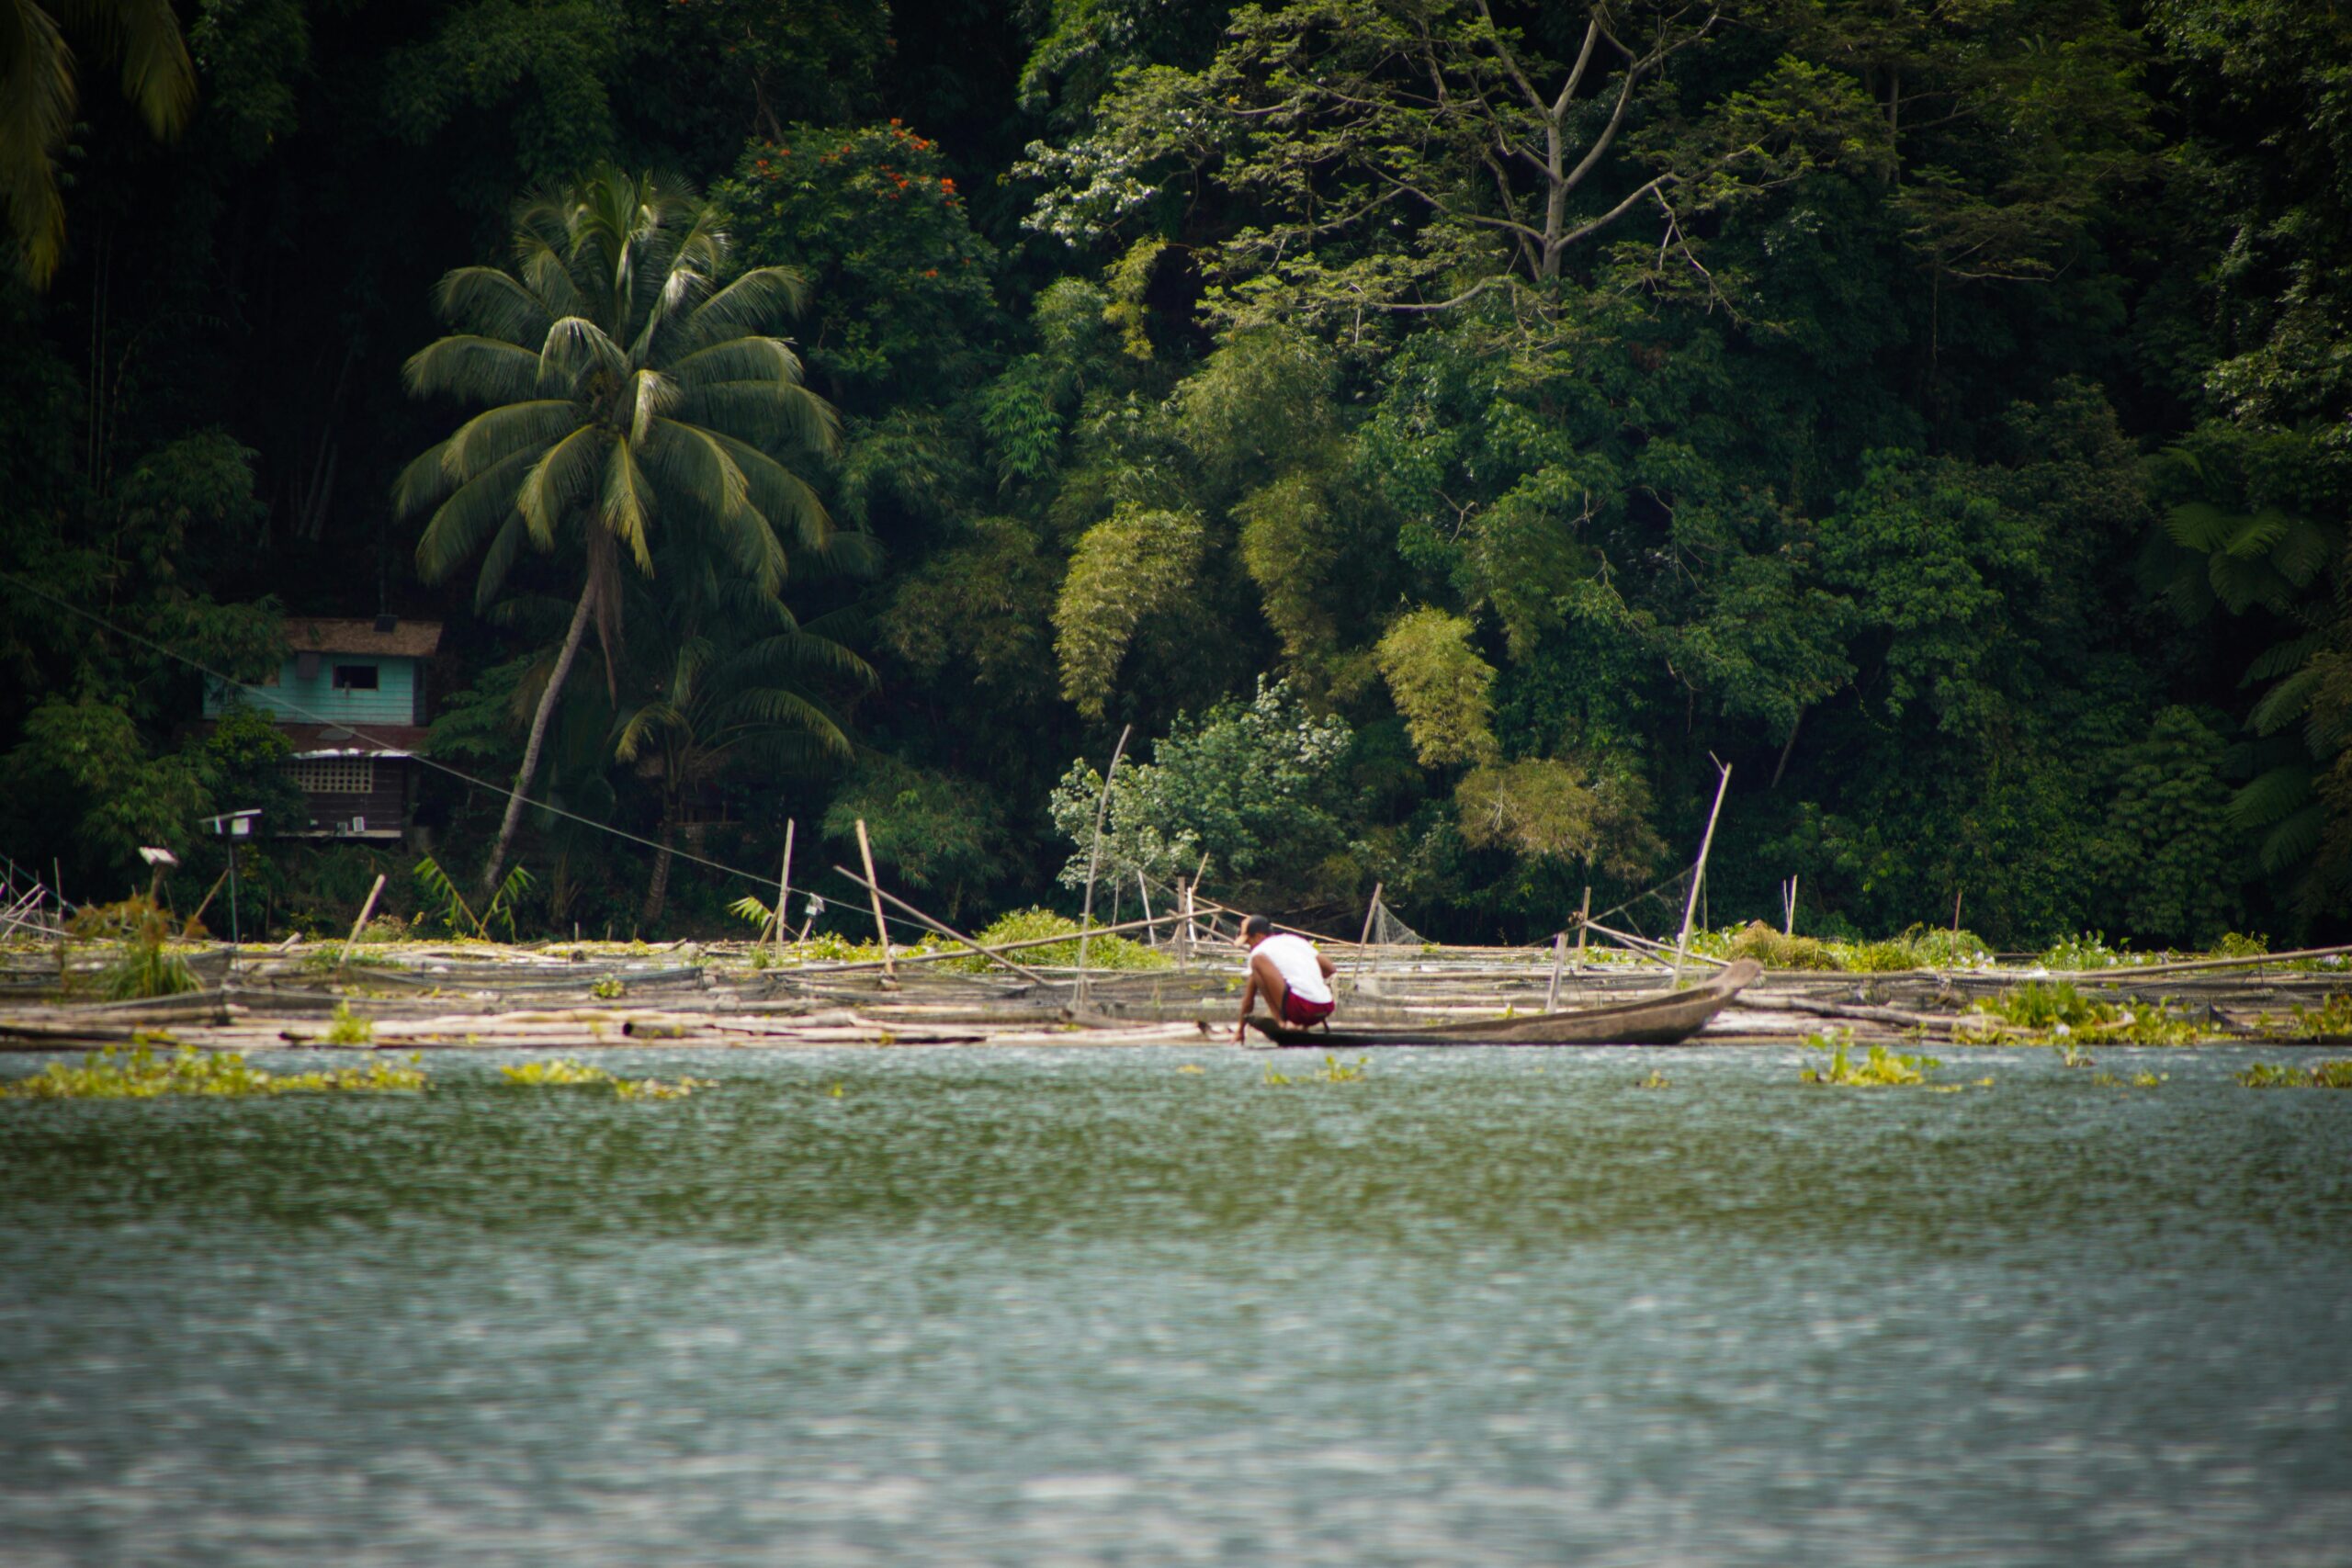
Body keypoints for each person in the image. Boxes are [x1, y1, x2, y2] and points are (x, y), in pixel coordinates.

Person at [1233, 914, 1336, 1041]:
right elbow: (1330, 969)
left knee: (1256, 961)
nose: (1250, 946)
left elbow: (1249, 1000)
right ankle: (1302, 1025)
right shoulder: (1294, 940)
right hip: (1326, 1006)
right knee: (1294, 980)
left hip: (1302, 1009)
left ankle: (1281, 1022)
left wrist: (1240, 1031)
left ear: (1259, 936)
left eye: (1249, 941)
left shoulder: (1259, 952)